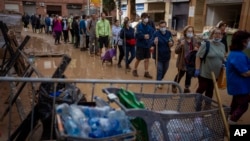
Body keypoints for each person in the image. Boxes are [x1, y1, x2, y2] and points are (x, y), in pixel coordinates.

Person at [194, 28, 226, 110]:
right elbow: (198, 56)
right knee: (202, 88)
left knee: (210, 90)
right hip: (204, 72)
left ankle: (207, 105)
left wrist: (224, 63)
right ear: (212, 35)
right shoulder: (206, 44)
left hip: (215, 74)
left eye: (220, 34)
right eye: (216, 33)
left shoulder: (222, 45)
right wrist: (197, 69)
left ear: (222, 35)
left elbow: (223, 57)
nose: (218, 35)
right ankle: (197, 102)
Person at [226, 30, 250, 124]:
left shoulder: (237, 53)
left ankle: (228, 119)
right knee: (243, 105)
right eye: (248, 41)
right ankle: (231, 123)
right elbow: (245, 73)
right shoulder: (238, 55)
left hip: (239, 85)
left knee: (235, 104)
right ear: (243, 42)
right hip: (240, 86)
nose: (248, 43)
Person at [172, 25, 198, 93]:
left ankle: (187, 87)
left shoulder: (194, 40)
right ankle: (174, 85)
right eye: (188, 31)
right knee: (180, 74)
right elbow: (176, 51)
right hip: (182, 62)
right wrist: (181, 45)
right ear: (185, 32)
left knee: (189, 75)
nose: (190, 33)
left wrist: (197, 49)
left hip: (191, 61)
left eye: (191, 31)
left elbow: (198, 50)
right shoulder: (181, 40)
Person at [151, 20, 174, 89]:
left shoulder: (169, 33)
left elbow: (171, 41)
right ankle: (158, 82)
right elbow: (151, 42)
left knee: (165, 69)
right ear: (159, 27)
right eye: (161, 27)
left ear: (166, 26)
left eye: (164, 26)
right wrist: (154, 42)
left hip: (166, 55)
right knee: (160, 70)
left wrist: (171, 43)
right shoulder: (156, 33)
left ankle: (160, 79)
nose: (163, 28)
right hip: (158, 55)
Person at [132, 13, 154, 79]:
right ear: (142, 18)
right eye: (145, 17)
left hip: (147, 45)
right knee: (138, 59)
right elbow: (136, 35)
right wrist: (143, 36)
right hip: (140, 45)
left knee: (147, 59)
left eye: (147, 17)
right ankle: (134, 70)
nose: (146, 19)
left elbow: (152, 35)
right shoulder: (138, 26)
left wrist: (151, 43)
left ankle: (146, 72)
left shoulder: (149, 27)